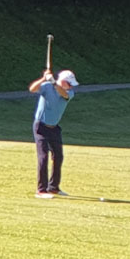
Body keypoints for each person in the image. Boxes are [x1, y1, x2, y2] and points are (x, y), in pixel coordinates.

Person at [29, 69, 78, 198]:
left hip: (54, 128)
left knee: (58, 156)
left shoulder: (68, 93)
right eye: (69, 83)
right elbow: (32, 89)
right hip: (41, 126)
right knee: (43, 157)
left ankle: (53, 187)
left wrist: (53, 82)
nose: (71, 86)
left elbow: (63, 94)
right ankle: (41, 190)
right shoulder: (47, 87)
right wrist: (44, 79)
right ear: (62, 81)